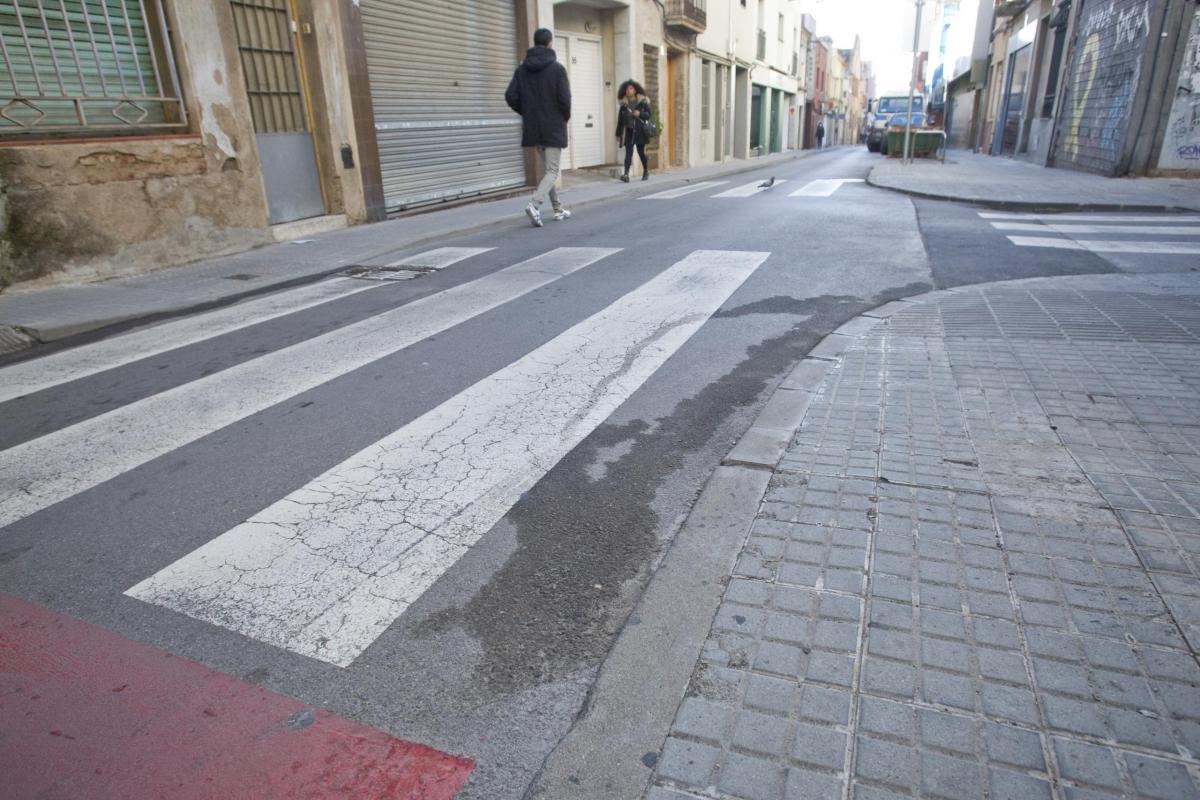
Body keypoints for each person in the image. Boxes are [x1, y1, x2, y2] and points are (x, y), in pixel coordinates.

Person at [505, 28, 571, 227]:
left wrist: (527, 112)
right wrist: (563, 118)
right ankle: (535, 205)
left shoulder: (522, 69)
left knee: (548, 171)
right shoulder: (557, 69)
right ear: (550, 43)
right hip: (552, 126)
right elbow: (564, 100)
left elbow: (511, 96)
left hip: (534, 127)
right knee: (552, 171)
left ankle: (558, 209)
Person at [615, 80, 652, 182]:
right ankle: (626, 174)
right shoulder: (624, 104)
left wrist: (640, 114)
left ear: (635, 90)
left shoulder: (642, 102)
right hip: (628, 131)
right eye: (627, 89)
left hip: (639, 131)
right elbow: (620, 120)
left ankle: (645, 170)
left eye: (631, 88)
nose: (628, 90)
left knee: (641, 153)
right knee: (628, 153)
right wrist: (618, 134)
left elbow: (649, 115)